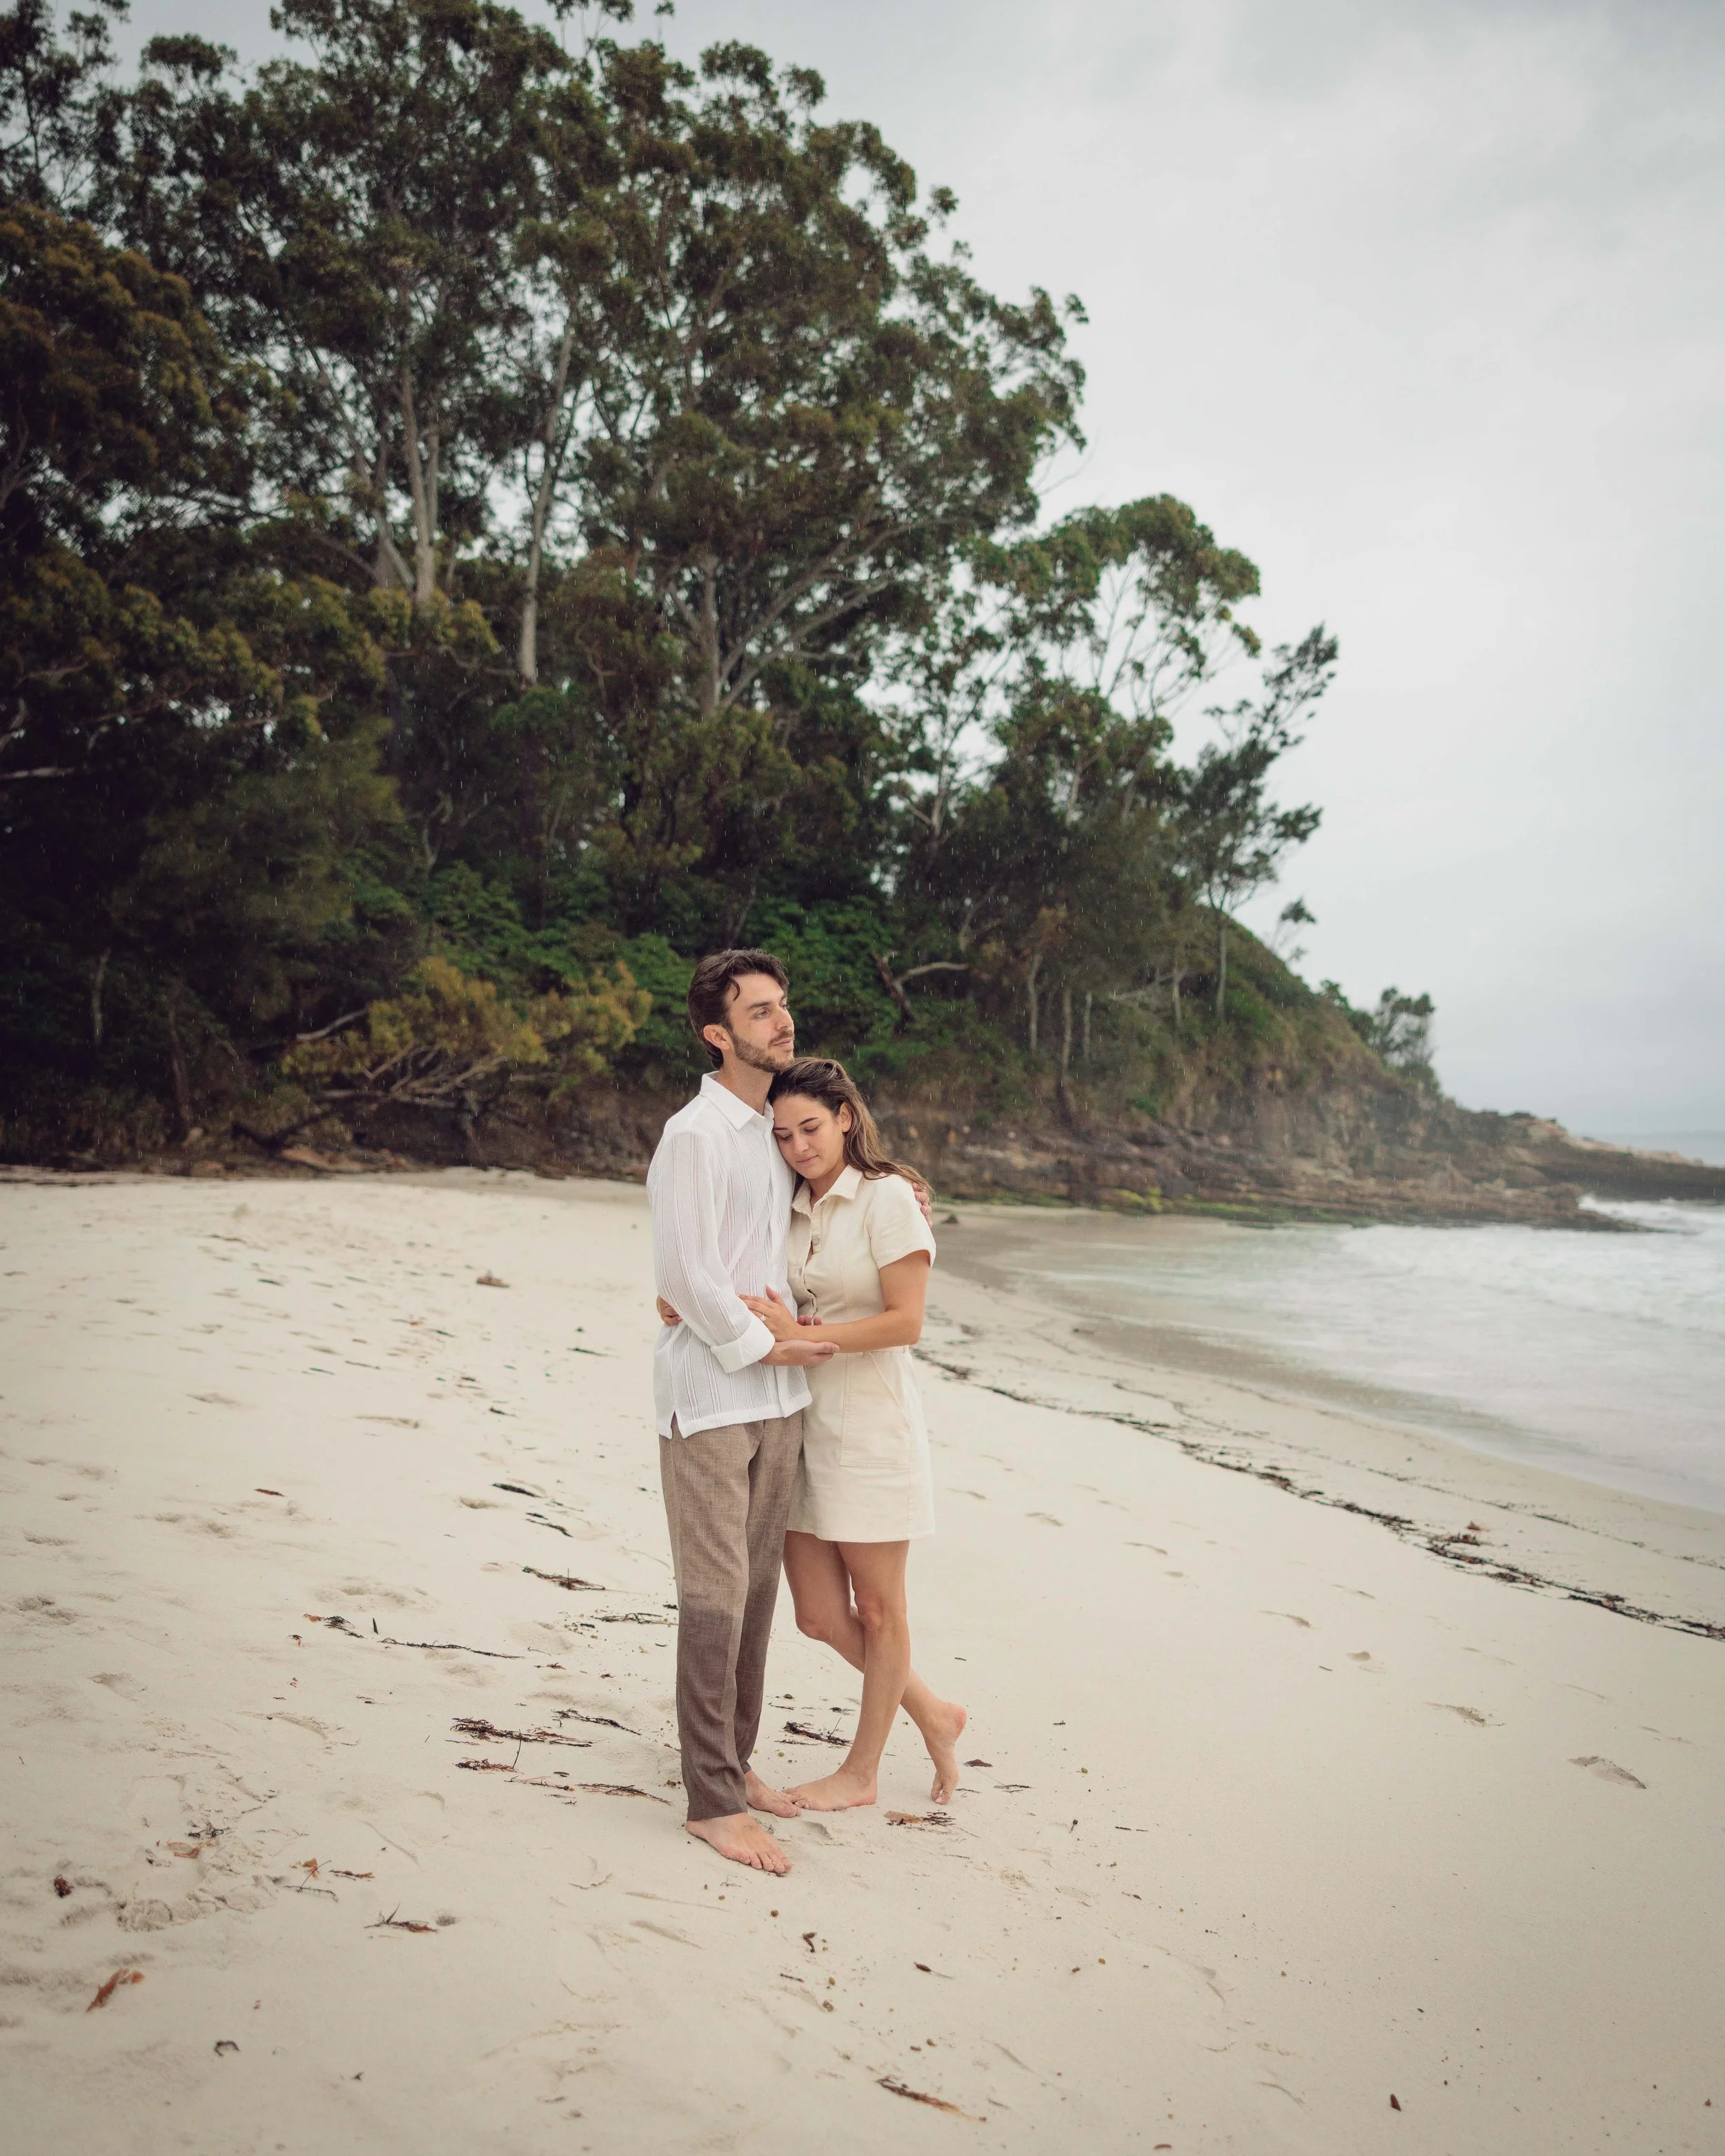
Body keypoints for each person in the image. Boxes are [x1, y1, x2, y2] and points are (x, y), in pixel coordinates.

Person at [647, 950, 837, 1876]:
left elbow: (824, 1186)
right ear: (718, 1033)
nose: (780, 1021)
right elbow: (684, 1273)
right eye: (759, 1012)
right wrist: (768, 1344)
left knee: (758, 1587)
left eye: (782, 1004)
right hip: (716, 1393)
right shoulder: (696, 1134)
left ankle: (737, 1758)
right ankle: (711, 1801)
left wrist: (899, 1185)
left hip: (781, 1395)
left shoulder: (772, 1133)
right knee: (716, 1595)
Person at [740, 1057, 967, 1812]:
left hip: (870, 1428)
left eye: (810, 1127)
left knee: (880, 1609)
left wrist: (809, 1334)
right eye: (782, 1135)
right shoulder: (787, 1200)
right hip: (799, 1426)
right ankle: (933, 1709)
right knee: (816, 1614)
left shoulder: (888, 1198)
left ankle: (862, 1772)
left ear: (844, 1115)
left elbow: (907, 1321)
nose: (798, 1145)